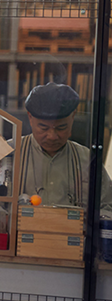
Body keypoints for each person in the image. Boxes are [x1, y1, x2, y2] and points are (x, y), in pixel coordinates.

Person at [16, 82, 112, 214]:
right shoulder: (8, 154)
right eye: (43, 127)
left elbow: (107, 208)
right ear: (30, 117)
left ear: (73, 117)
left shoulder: (88, 161)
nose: (52, 136)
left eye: (61, 128)